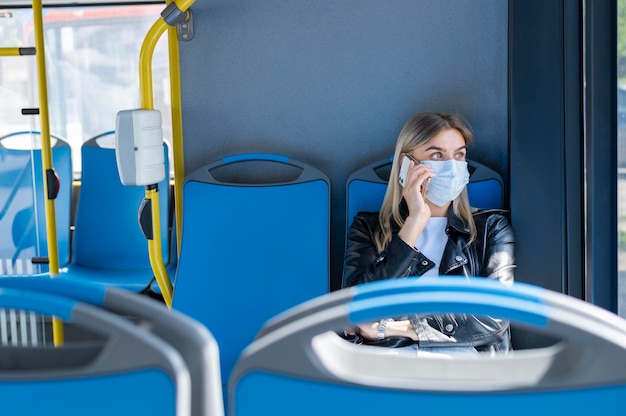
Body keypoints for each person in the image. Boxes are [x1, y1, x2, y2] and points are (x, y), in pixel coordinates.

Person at [342, 111, 515, 355]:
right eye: (437, 155)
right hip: (391, 362)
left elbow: (495, 318)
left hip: (464, 362)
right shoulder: (368, 228)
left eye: (459, 155)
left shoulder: (491, 228)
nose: (452, 167)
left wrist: (398, 328)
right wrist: (415, 221)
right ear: (406, 164)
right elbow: (356, 310)